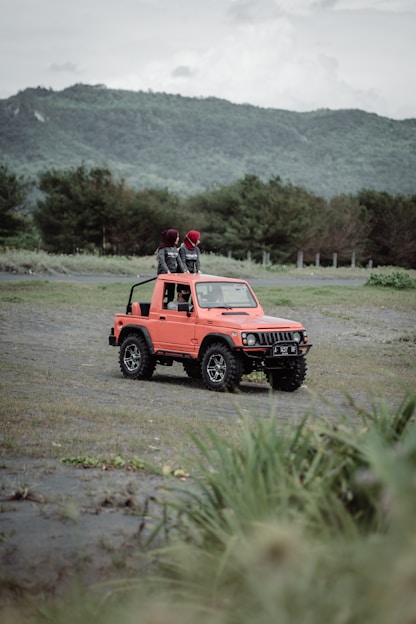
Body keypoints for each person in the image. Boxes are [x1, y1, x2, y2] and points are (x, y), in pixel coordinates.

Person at [157, 228, 188, 303]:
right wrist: (167, 271)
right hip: (164, 274)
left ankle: (169, 305)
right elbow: (161, 261)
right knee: (162, 293)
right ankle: (159, 305)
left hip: (173, 275)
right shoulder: (163, 248)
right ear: (172, 238)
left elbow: (179, 261)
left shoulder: (174, 249)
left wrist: (184, 270)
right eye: (177, 237)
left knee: (171, 292)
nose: (178, 239)